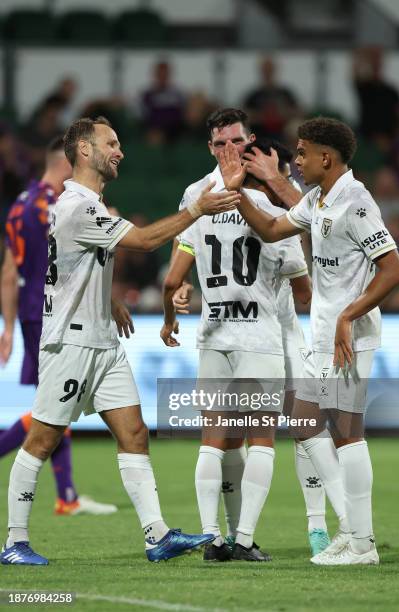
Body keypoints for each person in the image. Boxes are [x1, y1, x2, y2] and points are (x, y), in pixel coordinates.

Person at [0, 115, 240, 566]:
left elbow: (75, 265)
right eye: (111, 143)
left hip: (103, 342)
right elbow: (147, 241)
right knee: (42, 439)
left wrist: (106, 298)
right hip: (69, 345)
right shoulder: (77, 206)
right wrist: (196, 211)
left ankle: (157, 535)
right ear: (85, 151)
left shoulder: (88, 205)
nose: (120, 151)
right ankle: (14, 542)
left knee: (133, 433)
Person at [218, 117, 399, 565]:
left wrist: (348, 314)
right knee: (303, 422)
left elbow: (395, 270)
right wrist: (235, 192)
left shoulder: (356, 203)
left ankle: (362, 543)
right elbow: (272, 228)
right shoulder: (321, 200)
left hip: (349, 338)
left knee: (346, 435)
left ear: (327, 157)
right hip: (326, 335)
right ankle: (352, 528)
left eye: (302, 153)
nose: (296, 161)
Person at [168, 109, 335, 557]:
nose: (228, 150)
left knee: (215, 440)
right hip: (260, 335)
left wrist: (178, 292)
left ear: (249, 141)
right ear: (212, 147)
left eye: (234, 142)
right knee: (265, 437)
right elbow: (303, 291)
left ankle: (211, 537)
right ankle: (241, 540)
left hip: (213, 332)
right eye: (221, 143)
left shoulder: (194, 194)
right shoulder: (267, 205)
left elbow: (176, 266)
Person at [0, 136, 117, 516]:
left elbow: (7, 272)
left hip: (32, 311)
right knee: (51, 407)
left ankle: (66, 495)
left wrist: (7, 326)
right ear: (66, 163)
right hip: (57, 311)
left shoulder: (19, 205)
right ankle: (63, 493)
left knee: (56, 404)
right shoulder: (59, 206)